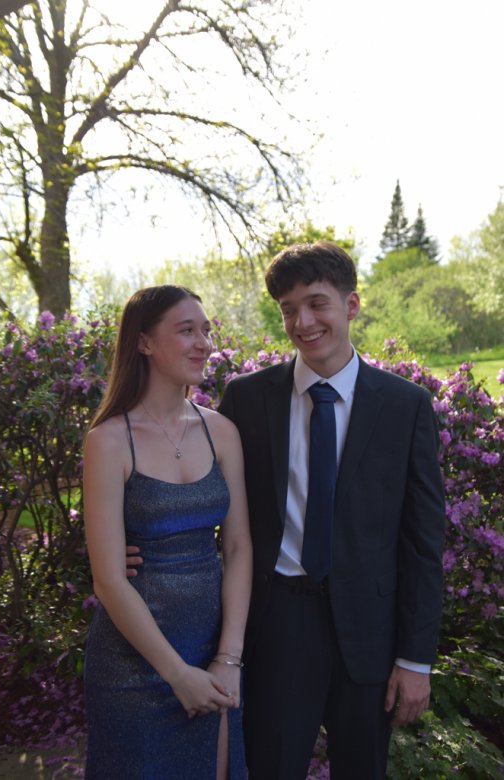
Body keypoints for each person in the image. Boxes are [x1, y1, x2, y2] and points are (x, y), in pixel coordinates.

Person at [127, 241, 445, 779]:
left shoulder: (405, 405)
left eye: (317, 304)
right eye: (288, 309)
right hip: (277, 622)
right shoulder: (248, 399)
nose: (303, 322)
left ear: (351, 304)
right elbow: (197, 486)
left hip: (370, 632)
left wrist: (415, 659)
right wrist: (138, 539)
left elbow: (422, 541)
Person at [83, 285, 252, 780]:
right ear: (144, 342)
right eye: (186, 330)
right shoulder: (108, 441)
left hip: (214, 648)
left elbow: (239, 547)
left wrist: (229, 658)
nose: (204, 343)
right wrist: (177, 674)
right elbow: (109, 580)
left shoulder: (222, 432)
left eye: (206, 331)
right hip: (132, 663)